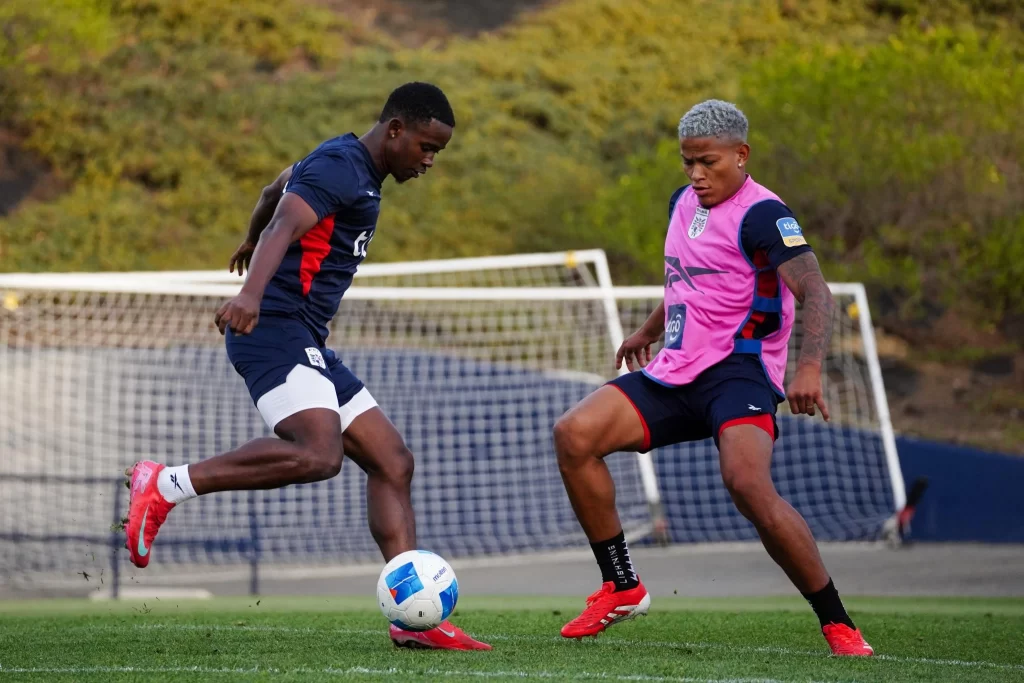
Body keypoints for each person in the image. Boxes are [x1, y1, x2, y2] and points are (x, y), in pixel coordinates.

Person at [123, 82, 490, 651]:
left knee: (392, 461)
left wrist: (249, 240)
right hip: (272, 328)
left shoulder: (346, 164)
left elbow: (274, 190)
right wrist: (251, 292)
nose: (429, 161)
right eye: (426, 147)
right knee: (320, 454)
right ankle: (167, 484)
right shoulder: (343, 166)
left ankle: (412, 619)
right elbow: (284, 222)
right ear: (395, 130)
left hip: (304, 336)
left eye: (437, 152)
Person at [552, 99, 873, 656]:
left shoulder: (764, 215)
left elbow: (816, 291)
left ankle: (836, 621)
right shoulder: (682, 202)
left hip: (738, 373)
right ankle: (622, 585)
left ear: (741, 155)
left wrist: (809, 368)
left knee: (747, 484)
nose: (697, 174)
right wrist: (648, 329)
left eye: (709, 162)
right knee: (574, 434)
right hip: (675, 369)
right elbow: (690, 280)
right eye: (688, 162)